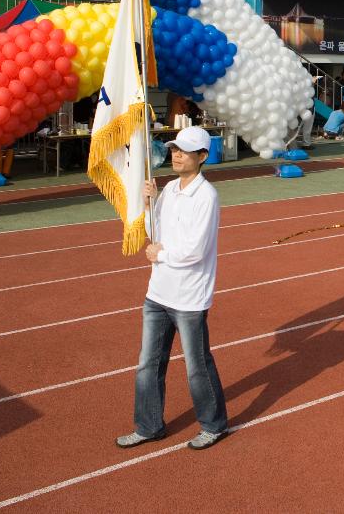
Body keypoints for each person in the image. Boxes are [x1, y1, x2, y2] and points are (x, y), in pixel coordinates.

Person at [116, 127, 228, 450]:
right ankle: (149, 425)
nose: (177, 155)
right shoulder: (170, 190)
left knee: (196, 366)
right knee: (148, 363)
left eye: (185, 150)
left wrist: (160, 253)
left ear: (202, 157)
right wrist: (149, 203)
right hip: (158, 293)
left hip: (189, 297)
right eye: (175, 149)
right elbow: (156, 231)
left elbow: (196, 249)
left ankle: (214, 424)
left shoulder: (206, 196)